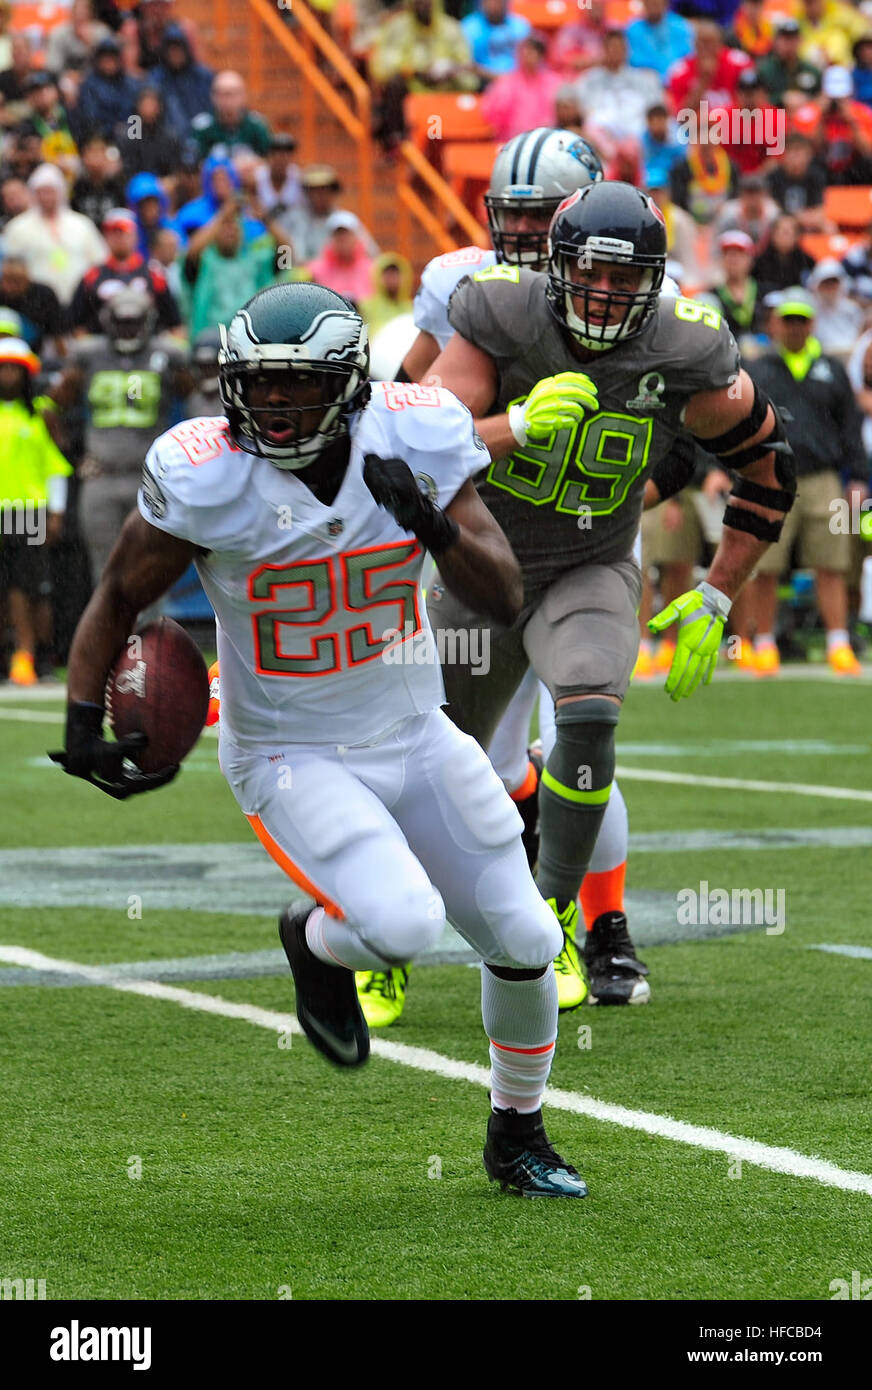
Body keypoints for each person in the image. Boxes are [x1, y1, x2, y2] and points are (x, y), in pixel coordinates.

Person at [51, 280, 590, 1201]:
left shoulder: (416, 432)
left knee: (526, 936)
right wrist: (80, 724)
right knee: (403, 924)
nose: (274, 404)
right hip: (289, 751)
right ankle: (314, 940)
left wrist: (425, 518)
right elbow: (117, 596)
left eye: (298, 386)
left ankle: (517, 1132)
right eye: (258, 385)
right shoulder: (203, 469)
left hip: (416, 731)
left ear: (349, 386)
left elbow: (501, 595)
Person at [419, 181, 795, 1037]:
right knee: (428, 761)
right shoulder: (501, 314)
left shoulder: (683, 345)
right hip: (480, 568)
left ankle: (546, 917)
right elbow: (410, 442)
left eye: (630, 282)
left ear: (656, 282)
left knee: (587, 713)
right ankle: (378, 939)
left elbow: (769, 463)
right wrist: (512, 422)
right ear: (555, 269)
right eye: (593, 273)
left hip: (589, 565)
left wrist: (715, 590)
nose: (610, 296)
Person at [363, 132, 645, 1026]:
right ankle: (379, 928)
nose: (521, 229)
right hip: (482, 547)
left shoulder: (647, 295)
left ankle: (600, 929)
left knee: (584, 732)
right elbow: (399, 410)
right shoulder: (464, 288)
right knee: (444, 751)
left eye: (540, 212)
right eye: (511, 212)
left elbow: (678, 442)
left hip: (589, 544)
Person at [738, 289, 865, 676]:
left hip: (824, 478)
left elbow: (851, 427)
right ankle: (763, 643)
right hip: (770, 475)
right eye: (788, 319)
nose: (795, 327)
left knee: (832, 563)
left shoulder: (832, 368)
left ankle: (838, 642)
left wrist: (857, 477)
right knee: (766, 564)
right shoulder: (759, 369)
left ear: (812, 323)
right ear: (775, 323)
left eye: (802, 320)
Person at [51, 287, 193, 584]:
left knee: (151, 572)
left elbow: (200, 406)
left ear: (148, 320)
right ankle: (112, 633)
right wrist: (73, 455)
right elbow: (51, 408)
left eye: (134, 321)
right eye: (122, 321)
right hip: (101, 475)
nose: (128, 328)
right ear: (108, 321)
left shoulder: (167, 355)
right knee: (105, 574)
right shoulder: (89, 356)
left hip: (149, 479)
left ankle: (149, 633)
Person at [0, 337, 71, 685]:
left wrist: (56, 513)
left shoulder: (42, 411)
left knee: (33, 588)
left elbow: (55, 466)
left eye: (15, 368)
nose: (8, 375)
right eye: (3, 368)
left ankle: (36, 656)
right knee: (7, 588)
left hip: (28, 510)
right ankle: (12, 655)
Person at [1, 163, 107, 306]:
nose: (46, 197)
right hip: (35, 304)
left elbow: (100, 261)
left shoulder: (82, 224)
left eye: (50, 191)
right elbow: (9, 269)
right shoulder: (17, 227)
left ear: (61, 192)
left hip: (79, 303)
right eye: (41, 192)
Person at [68, 206, 181, 336]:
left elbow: (174, 322)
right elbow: (77, 323)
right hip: (103, 346)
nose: (119, 238)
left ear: (135, 236)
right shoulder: (92, 276)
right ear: (105, 237)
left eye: (123, 232)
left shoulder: (154, 275)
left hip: (147, 346)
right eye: (113, 233)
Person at [574, 28, 664, 142]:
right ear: (604, 50)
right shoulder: (588, 80)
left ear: (627, 50)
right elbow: (583, 113)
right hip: (602, 140)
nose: (616, 51)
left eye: (620, 47)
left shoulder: (644, 78)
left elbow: (655, 110)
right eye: (612, 47)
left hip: (637, 138)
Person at [480, 35, 563, 144]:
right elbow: (491, 115)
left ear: (542, 55)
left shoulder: (555, 82)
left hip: (547, 141)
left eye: (534, 51)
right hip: (511, 142)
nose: (528, 55)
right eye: (526, 50)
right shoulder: (505, 83)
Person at [73, 35, 142, 143]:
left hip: (129, 139)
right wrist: (113, 128)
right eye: (105, 57)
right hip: (101, 140)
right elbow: (91, 118)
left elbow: (136, 115)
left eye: (112, 56)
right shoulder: (89, 85)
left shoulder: (130, 83)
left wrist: (128, 130)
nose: (109, 61)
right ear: (98, 59)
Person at [190, 70, 271, 159]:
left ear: (244, 96)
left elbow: (269, 160)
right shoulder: (202, 127)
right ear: (213, 97)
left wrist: (256, 164)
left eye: (231, 94)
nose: (226, 100)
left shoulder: (257, 125)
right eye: (220, 94)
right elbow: (193, 163)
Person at [305, 211, 375, 307]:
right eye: (338, 234)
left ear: (356, 236)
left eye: (346, 234)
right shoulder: (314, 270)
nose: (343, 238)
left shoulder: (373, 269)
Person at [462, 0, 531, 84]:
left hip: (519, 83)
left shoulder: (521, 26)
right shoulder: (469, 27)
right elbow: (467, 65)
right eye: (490, 2)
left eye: (498, 2)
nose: (494, 5)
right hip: (481, 82)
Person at [807, 258, 864, 359]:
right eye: (825, 283)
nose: (829, 288)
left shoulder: (853, 310)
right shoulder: (810, 311)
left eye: (833, 282)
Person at [756, 18, 821, 106]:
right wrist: (782, 98)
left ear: (800, 41)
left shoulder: (812, 71)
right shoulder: (764, 71)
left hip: (805, 116)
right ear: (776, 41)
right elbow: (757, 101)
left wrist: (806, 100)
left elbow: (821, 99)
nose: (789, 44)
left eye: (793, 39)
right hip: (775, 117)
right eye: (785, 39)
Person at [626, 0, 694, 81]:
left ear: (666, 3)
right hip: (645, 81)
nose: (653, 5)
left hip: (677, 81)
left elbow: (688, 57)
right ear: (643, 3)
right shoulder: (633, 30)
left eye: (657, 2)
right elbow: (633, 60)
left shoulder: (680, 26)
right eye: (650, 2)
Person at [70, 132, 127, 227]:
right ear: (84, 157)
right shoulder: (78, 187)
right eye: (91, 152)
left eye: (99, 152)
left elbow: (123, 217)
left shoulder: (117, 185)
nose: (95, 158)